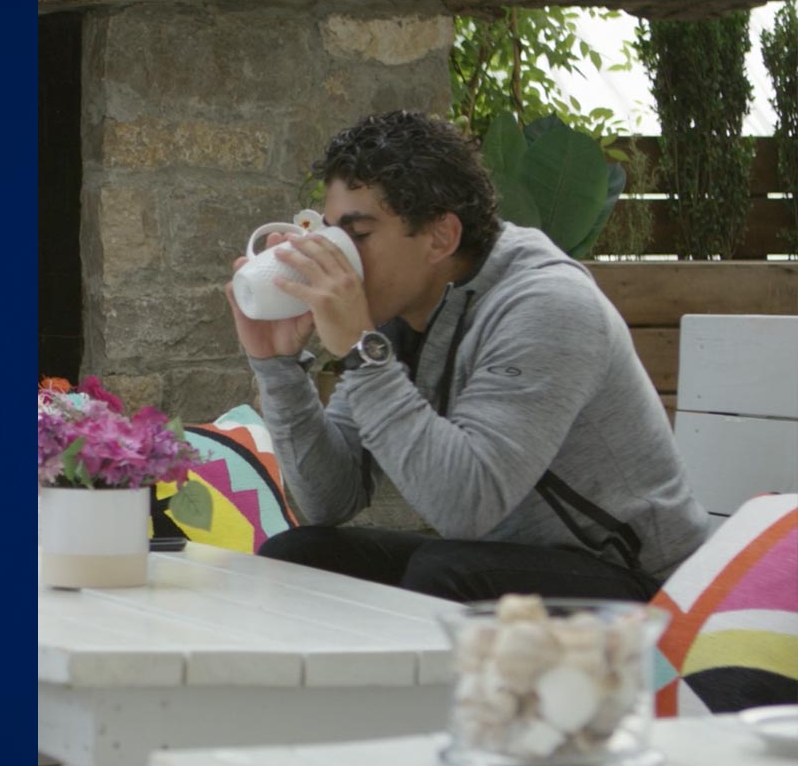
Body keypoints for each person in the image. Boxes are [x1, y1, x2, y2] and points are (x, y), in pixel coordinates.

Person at [226, 110, 709, 603]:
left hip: (649, 587)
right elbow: (331, 499)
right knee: (305, 556)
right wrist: (279, 367)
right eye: (331, 233)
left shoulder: (548, 305)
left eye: (358, 234)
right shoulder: (399, 311)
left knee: (449, 574)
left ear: (441, 236)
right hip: (504, 565)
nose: (337, 255)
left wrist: (362, 351)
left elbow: (466, 506)